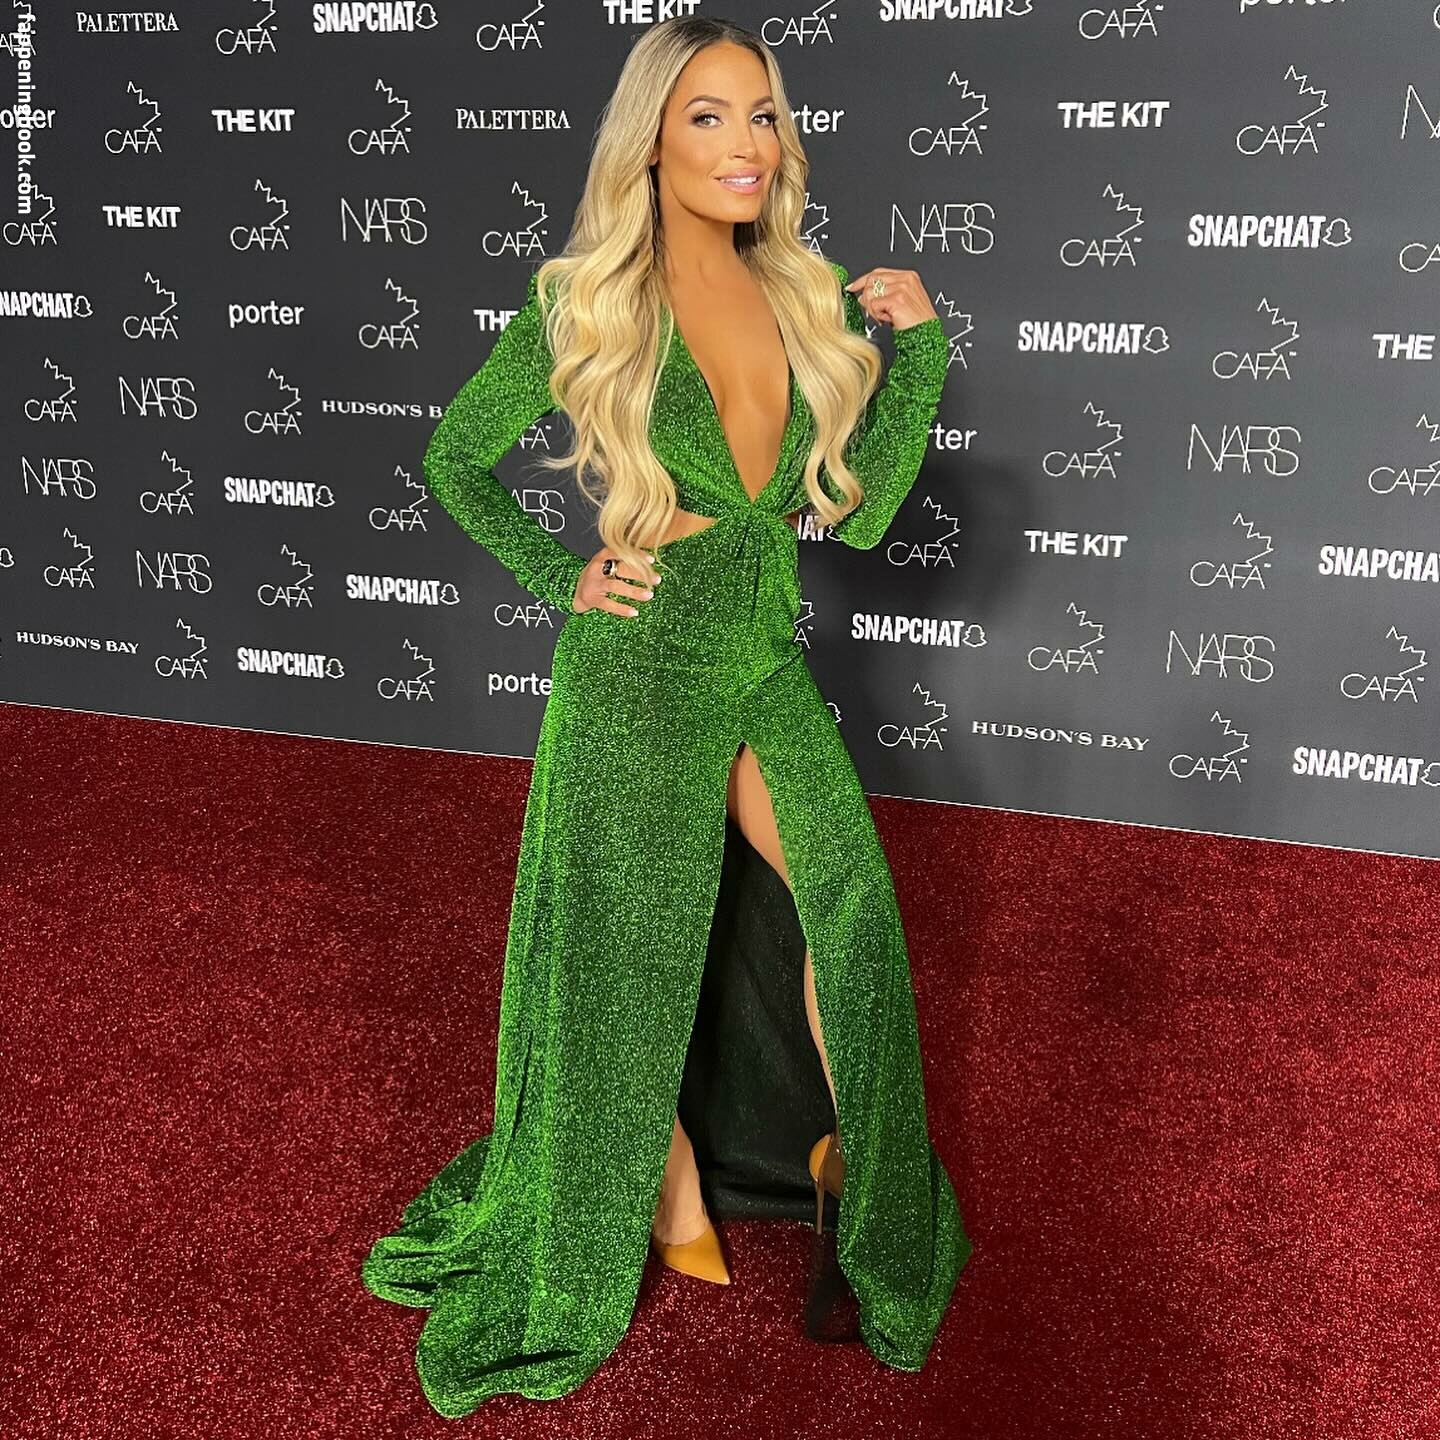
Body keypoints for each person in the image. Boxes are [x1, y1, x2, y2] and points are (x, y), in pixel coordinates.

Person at [360, 14, 972, 1417]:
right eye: (709, 116)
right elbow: (453, 460)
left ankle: (865, 1190)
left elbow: (861, 515)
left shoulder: (802, 289)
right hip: (638, 672)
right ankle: (664, 1181)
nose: (747, 144)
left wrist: (921, 358)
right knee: (624, 965)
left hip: (759, 656)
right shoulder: (588, 300)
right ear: (650, 139)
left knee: (852, 916)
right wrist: (561, 576)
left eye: (763, 114)